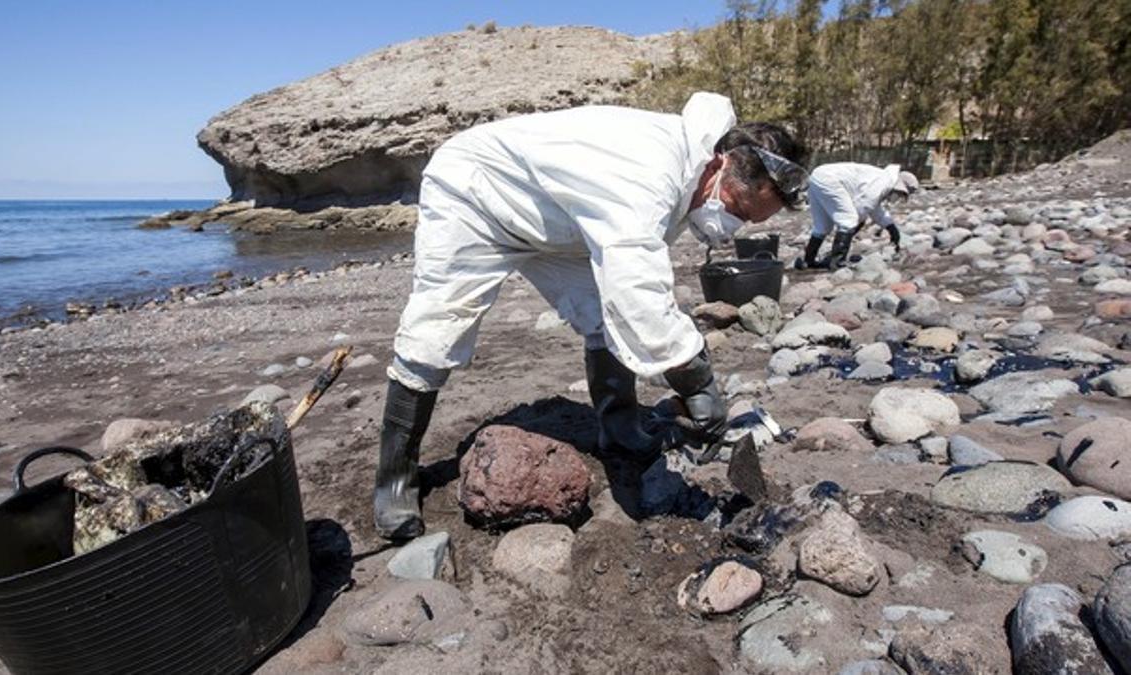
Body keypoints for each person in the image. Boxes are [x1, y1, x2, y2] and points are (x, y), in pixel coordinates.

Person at [374, 92, 808, 540]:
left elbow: (626, 291)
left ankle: (620, 431)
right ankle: (394, 479)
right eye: (736, 209)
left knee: (604, 313)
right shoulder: (648, 167)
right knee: (436, 330)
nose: (733, 225)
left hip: (555, 220)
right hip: (477, 195)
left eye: (749, 222)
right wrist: (697, 382)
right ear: (720, 164)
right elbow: (637, 289)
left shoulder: (691, 176)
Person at [795, 162, 919, 270]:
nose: (899, 198)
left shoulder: (882, 179)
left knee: (822, 226)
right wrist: (854, 226)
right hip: (829, 180)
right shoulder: (882, 183)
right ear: (898, 187)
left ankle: (808, 261)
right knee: (849, 220)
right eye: (901, 194)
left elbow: (874, 209)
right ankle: (837, 262)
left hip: (818, 176)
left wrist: (891, 228)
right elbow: (863, 207)